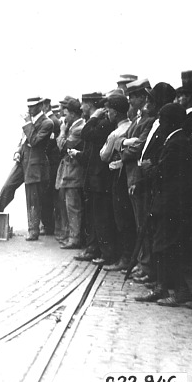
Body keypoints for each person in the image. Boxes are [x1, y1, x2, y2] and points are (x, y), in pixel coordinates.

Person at [135, 104, 192, 305]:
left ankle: (180, 291)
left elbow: (164, 172)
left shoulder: (177, 142)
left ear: (170, 121)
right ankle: (163, 287)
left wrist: (148, 169)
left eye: (162, 119)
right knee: (161, 245)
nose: (159, 123)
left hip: (171, 203)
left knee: (167, 246)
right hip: (167, 202)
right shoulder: (175, 140)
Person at [0, 97, 54, 240]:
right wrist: (18, 152)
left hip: (35, 165)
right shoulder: (31, 122)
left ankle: (33, 230)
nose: (29, 109)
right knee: (7, 187)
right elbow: (24, 141)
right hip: (23, 162)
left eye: (32, 107)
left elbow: (35, 141)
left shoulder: (47, 123)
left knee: (33, 198)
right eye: (28, 106)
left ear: (40, 106)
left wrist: (27, 124)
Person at [116, 79, 155, 281]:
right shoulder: (138, 119)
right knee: (138, 221)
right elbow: (125, 142)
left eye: (134, 96)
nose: (130, 100)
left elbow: (138, 147)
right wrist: (125, 144)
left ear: (143, 97)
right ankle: (141, 262)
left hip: (138, 177)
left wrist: (123, 148)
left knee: (143, 222)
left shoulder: (148, 120)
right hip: (131, 175)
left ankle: (146, 264)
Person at [73, 93, 116, 263]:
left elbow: (85, 134)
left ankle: (104, 253)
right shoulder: (100, 123)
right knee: (94, 216)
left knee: (101, 217)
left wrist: (93, 118)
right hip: (93, 177)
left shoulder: (103, 123)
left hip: (100, 179)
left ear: (91, 105)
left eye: (84, 104)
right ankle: (94, 249)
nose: (81, 107)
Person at [99, 93, 135, 271]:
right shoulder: (133, 126)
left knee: (121, 217)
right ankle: (128, 257)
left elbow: (104, 155)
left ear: (116, 112)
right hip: (129, 175)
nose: (107, 113)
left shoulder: (115, 133)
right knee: (129, 217)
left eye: (109, 110)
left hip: (117, 176)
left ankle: (125, 258)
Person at [54, 97, 85, 249]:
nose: (64, 117)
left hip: (74, 173)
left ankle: (74, 238)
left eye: (66, 114)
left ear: (73, 114)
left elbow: (63, 144)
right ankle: (70, 235)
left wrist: (62, 130)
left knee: (73, 206)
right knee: (69, 205)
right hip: (69, 172)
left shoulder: (78, 128)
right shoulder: (74, 127)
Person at [41, 97, 61, 236]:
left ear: (47, 105)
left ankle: (49, 226)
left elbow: (49, 145)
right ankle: (49, 225)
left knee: (47, 195)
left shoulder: (52, 121)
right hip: (50, 162)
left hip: (51, 163)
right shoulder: (50, 120)